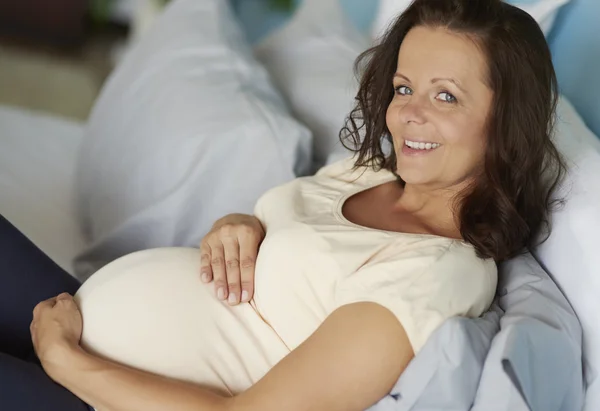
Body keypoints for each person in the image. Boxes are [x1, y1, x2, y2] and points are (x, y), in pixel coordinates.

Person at [1, 0, 565, 410]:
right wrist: (239, 224)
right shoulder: (366, 173)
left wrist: (65, 361)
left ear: (507, 122)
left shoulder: (433, 277)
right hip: (75, 321)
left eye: (446, 95)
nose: (410, 113)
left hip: (97, 393)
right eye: (402, 87)